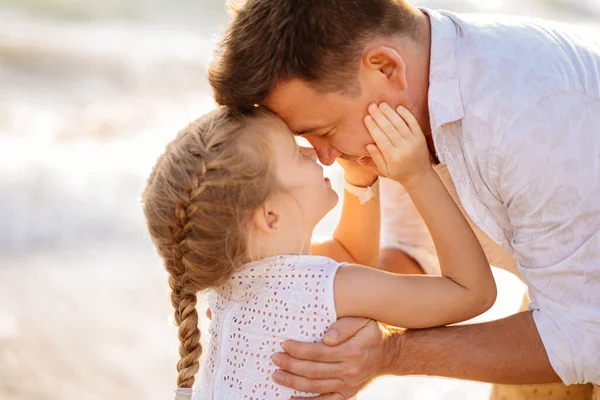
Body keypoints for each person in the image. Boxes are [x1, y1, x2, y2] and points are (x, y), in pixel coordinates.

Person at [208, 0, 600, 399]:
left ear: (385, 67)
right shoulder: (396, 115)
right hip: (566, 309)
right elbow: (414, 257)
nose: (324, 156)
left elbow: (587, 336)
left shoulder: (530, 116)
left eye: (324, 130)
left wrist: (390, 353)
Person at [142, 106, 497, 399]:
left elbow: (349, 254)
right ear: (270, 216)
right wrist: (418, 175)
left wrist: (360, 181)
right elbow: (471, 292)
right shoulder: (324, 287)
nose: (314, 152)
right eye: (297, 153)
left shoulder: (238, 283)